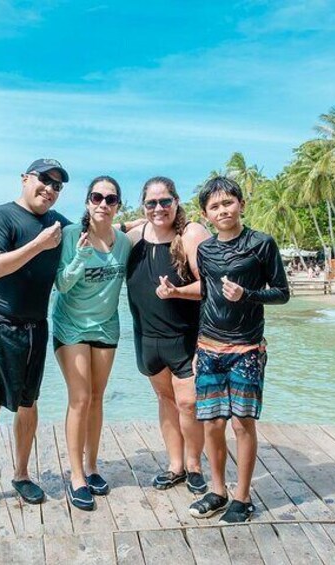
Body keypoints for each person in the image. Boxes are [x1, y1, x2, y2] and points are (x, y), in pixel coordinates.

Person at [0, 158, 70, 521]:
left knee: (29, 403)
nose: (50, 189)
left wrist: (138, 224)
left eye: (57, 185)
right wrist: (40, 245)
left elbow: (97, 228)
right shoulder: (0, 216)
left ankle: (22, 474)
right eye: (44, 179)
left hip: (34, 326)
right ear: (25, 179)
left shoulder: (58, 225)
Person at [189, 176, 289, 524]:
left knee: (242, 423)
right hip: (209, 348)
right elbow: (207, 298)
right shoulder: (205, 250)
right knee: (212, 423)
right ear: (206, 214)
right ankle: (217, 491)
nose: (223, 210)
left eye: (228, 203)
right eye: (214, 206)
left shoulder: (261, 244)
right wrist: (197, 346)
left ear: (241, 205)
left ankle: (243, 498)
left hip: (247, 348)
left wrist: (248, 295)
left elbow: (282, 293)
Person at [126, 176, 211, 495]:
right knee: (165, 400)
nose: (159, 208)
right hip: (148, 337)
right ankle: (175, 465)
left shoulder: (191, 234)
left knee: (188, 403)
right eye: (151, 203)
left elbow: (211, 285)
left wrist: (177, 292)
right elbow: (100, 233)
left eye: (165, 201)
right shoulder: (134, 238)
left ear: (176, 201)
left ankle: (194, 465)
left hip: (187, 336)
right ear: (143, 206)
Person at [52, 176, 132, 511]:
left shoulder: (124, 242)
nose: (103, 204)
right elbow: (61, 285)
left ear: (118, 206)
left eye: (110, 199)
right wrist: (80, 258)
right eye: (97, 197)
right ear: (87, 202)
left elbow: (151, 230)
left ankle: (93, 466)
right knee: (81, 397)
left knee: (97, 398)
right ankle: (76, 476)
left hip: (106, 327)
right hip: (70, 325)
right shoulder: (72, 235)